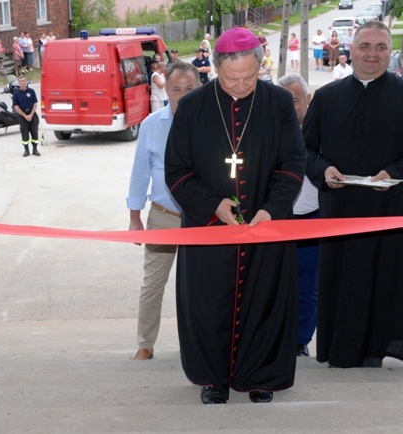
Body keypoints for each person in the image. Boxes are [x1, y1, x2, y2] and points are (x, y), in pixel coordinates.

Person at [164, 27, 306, 405]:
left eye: (250, 77)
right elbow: (176, 171)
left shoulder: (277, 103)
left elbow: (294, 163)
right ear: (215, 69)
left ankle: (261, 377)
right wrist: (213, 204)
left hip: (265, 224)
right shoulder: (193, 107)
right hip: (209, 228)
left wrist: (271, 209)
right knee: (209, 304)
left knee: (266, 301)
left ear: (261, 67)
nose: (242, 86)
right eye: (232, 79)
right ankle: (213, 379)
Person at [303, 21, 403, 369]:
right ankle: (341, 348)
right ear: (351, 50)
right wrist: (323, 172)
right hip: (338, 209)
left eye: (380, 47)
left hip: (389, 209)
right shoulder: (327, 97)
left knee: (385, 281)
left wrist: (395, 174)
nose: (372, 54)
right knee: (341, 280)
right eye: (365, 46)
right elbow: (303, 150)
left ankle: (377, 349)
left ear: (389, 52)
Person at [127, 62, 201, 361]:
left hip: (201, 220)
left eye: (190, 90)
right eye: (176, 90)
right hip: (163, 217)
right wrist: (135, 219)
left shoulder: (211, 124)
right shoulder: (151, 125)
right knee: (153, 283)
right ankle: (145, 343)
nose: (182, 96)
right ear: (165, 89)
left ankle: (199, 345)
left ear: (201, 88)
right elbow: (140, 173)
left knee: (200, 285)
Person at [277, 73, 319, 358]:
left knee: (308, 286)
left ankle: (300, 340)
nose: (289, 107)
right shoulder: (270, 135)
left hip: (312, 220)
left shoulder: (320, 136)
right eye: (283, 102)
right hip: (278, 221)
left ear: (307, 100)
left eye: (293, 101)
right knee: (275, 284)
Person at [12, 76, 41, 157]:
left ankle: (35, 150)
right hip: (22, 115)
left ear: (26, 82)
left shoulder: (31, 91)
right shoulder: (16, 93)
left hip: (32, 114)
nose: (22, 82)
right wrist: (25, 116)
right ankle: (26, 150)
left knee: (34, 133)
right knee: (24, 133)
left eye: (23, 81)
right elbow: (16, 107)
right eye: (20, 81)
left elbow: (35, 104)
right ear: (18, 83)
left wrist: (31, 115)